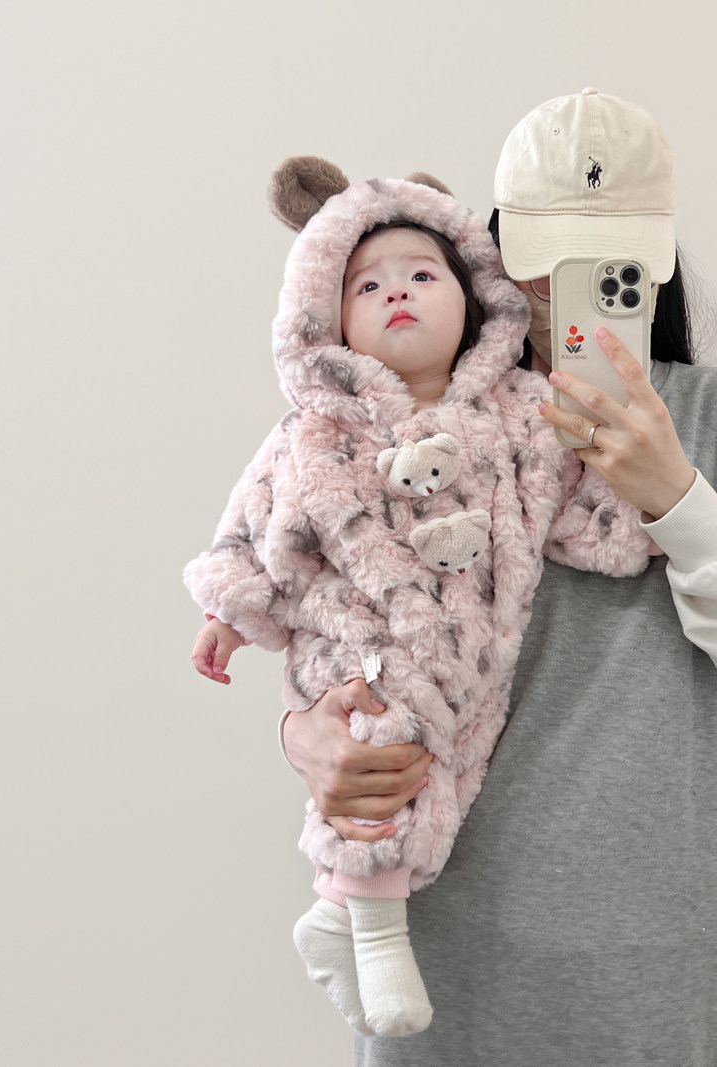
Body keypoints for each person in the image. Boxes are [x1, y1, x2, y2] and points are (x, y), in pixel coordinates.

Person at [282, 89, 717, 1065]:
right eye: (547, 257)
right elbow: (333, 609)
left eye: (604, 260)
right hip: (432, 943)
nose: (568, 288)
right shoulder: (403, 427)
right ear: (494, 251)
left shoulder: (706, 418)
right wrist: (306, 732)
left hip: (653, 955)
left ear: (654, 259)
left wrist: (674, 495)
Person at [184, 151, 655, 1038]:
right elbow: (253, 519)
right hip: (357, 643)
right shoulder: (314, 431)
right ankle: (376, 933)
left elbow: (580, 500)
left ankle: (336, 915)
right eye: (366, 286)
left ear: (475, 298)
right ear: (326, 320)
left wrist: (643, 518)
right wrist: (228, 614)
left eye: (422, 275)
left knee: (449, 774)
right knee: (385, 737)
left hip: (473, 656)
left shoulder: (524, 412)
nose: (396, 292)